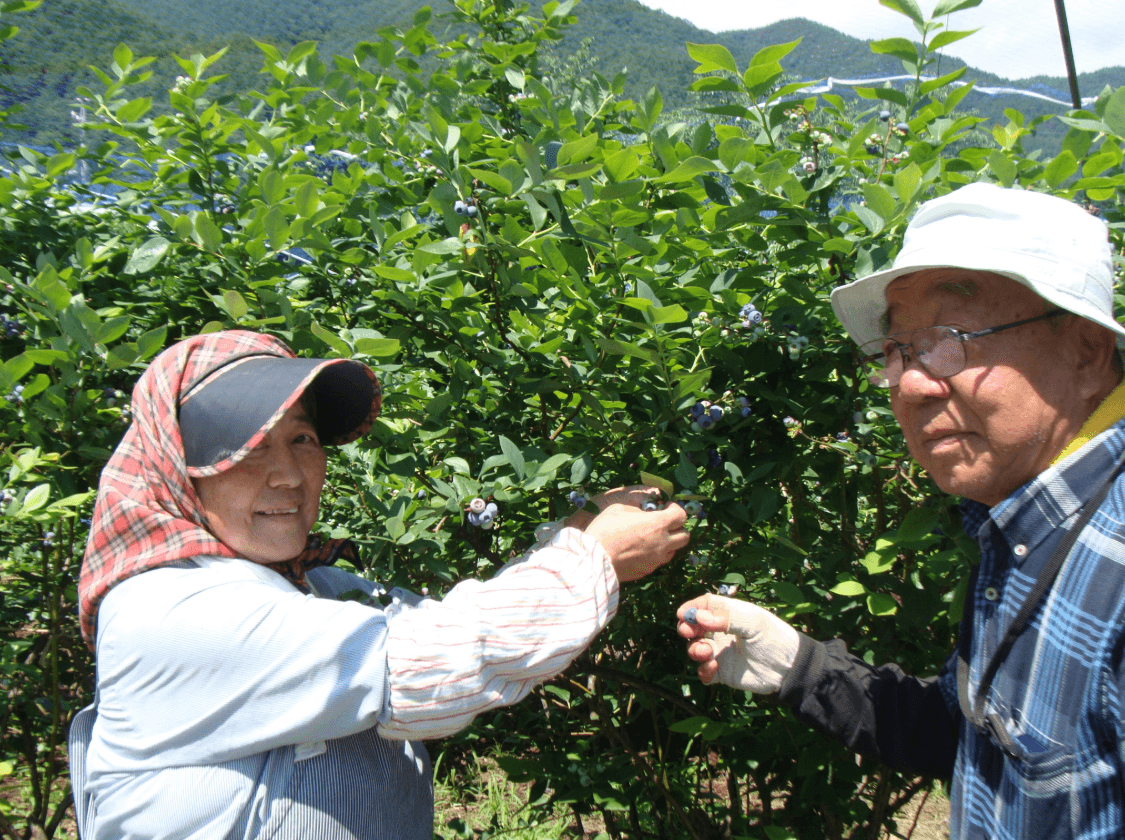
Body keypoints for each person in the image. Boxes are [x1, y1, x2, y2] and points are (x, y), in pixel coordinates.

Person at [68, 329, 689, 839]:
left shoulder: (319, 587)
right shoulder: (170, 609)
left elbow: (451, 624)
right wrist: (597, 555)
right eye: (248, 446)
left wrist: (574, 533)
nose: (287, 473)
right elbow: (440, 660)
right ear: (176, 469)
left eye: (303, 438)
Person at [677, 182, 1125, 840]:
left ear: (1084, 350)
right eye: (897, 350)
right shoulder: (1021, 525)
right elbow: (979, 741)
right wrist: (798, 667)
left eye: (950, 339)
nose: (909, 384)